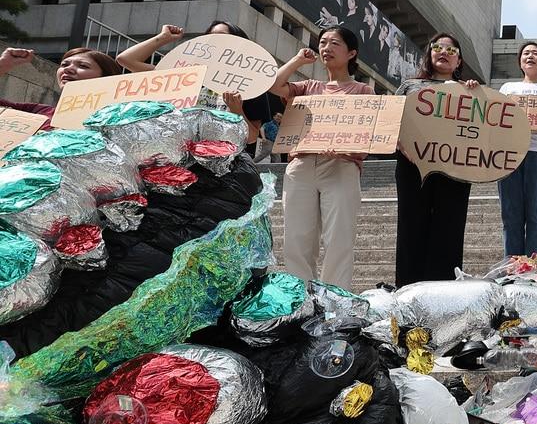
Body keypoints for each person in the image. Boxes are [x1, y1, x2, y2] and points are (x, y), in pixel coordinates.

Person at [268, 25, 372, 290]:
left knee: (339, 238)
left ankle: (334, 300)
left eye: (334, 43)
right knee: (296, 238)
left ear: (352, 53)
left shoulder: (363, 91)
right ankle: (301, 298)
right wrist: (297, 60)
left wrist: (343, 146)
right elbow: (273, 85)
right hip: (300, 165)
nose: (326, 48)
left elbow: (369, 135)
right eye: (322, 42)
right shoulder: (307, 87)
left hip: (342, 165)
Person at [116, 21, 284, 156]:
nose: (215, 41)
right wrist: (163, 37)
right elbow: (126, 60)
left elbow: (252, 137)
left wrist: (236, 110)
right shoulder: (186, 74)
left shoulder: (249, 84)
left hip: (225, 164)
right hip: (179, 156)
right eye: (210, 37)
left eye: (222, 36)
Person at [394, 33, 476, 285]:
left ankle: (443, 289)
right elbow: (392, 120)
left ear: (459, 60)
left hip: (456, 167)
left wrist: (477, 96)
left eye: (451, 50)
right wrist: (400, 143)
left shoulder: (470, 90)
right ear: (429, 54)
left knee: (449, 227)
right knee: (411, 225)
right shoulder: (409, 86)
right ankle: (407, 287)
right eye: (438, 47)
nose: (444, 52)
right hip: (412, 166)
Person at [497, 41, 537, 257]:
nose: (530, 56)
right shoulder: (507, 89)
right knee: (511, 214)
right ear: (520, 62)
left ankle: (532, 264)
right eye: (525, 53)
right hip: (509, 154)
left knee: (536, 214)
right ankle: (511, 264)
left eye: (535, 53)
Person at [0, 46, 120, 127]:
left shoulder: (115, 121)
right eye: (64, 64)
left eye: (83, 66)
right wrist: (3, 65)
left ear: (106, 78)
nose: (68, 69)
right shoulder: (39, 112)